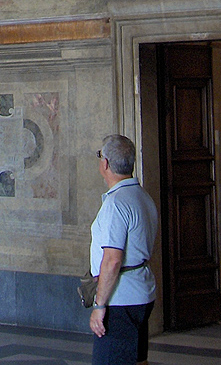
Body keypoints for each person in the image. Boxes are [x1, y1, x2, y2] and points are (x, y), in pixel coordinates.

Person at [89, 135, 158, 365]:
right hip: (141, 293)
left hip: (121, 299)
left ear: (105, 163)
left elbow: (112, 261)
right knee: (138, 360)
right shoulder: (142, 196)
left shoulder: (117, 202)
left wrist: (99, 306)